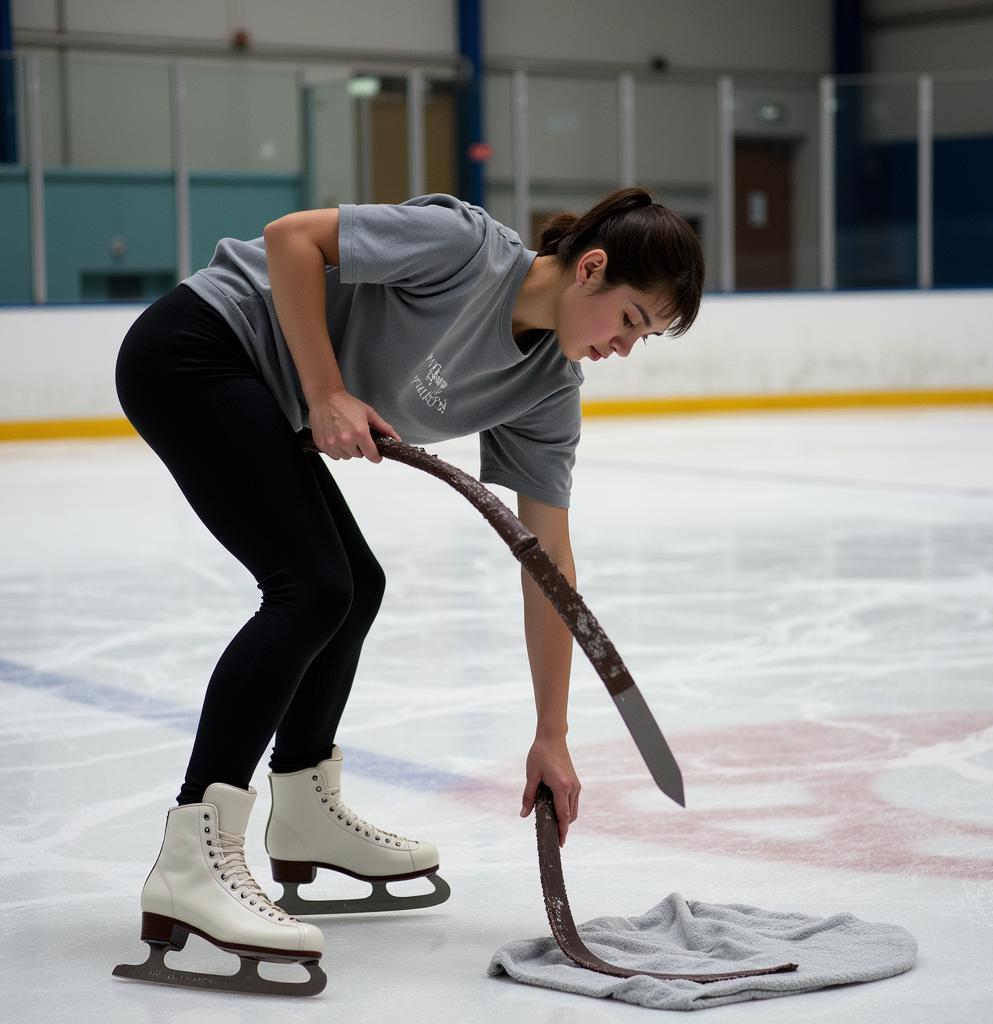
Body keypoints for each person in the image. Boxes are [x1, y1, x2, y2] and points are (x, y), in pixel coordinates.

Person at [112, 186, 704, 995]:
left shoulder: (547, 388)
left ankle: (305, 809)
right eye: (632, 321)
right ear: (591, 269)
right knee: (311, 587)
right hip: (195, 348)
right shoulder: (462, 248)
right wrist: (324, 391)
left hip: (251, 386)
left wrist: (552, 732)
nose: (625, 350)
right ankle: (192, 857)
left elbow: (549, 558)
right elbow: (292, 240)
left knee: (354, 585)